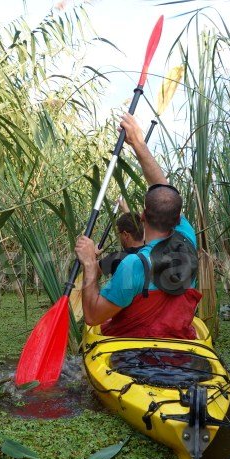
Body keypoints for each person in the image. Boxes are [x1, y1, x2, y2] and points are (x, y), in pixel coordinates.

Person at [74, 113, 201, 339]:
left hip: (134, 357)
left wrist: (90, 265)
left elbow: (93, 316)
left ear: (142, 215)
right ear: (177, 217)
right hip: (180, 350)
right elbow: (164, 189)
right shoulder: (187, 237)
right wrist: (139, 144)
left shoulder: (133, 265)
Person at [98, 210, 144, 276]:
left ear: (125, 235)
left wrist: (93, 254)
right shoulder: (152, 251)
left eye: (119, 234)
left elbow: (93, 270)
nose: (119, 237)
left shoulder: (117, 258)